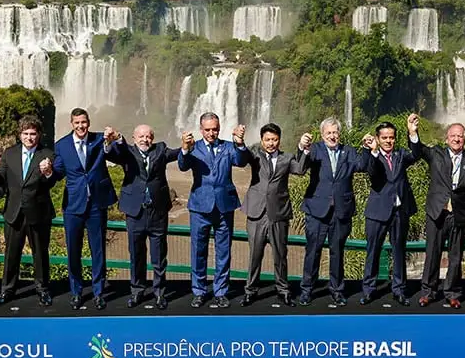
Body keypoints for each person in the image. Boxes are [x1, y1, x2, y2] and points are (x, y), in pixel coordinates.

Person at [408, 113, 465, 309]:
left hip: (460, 213)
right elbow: (418, 151)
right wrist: (413, 132)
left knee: (456, 255)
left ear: (464, 139)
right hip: (437, 211)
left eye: (460, 136)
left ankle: (452, 292)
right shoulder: (436, 154)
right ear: (446, 138)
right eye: (453, 136)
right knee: (432, 252)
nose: (457, 139)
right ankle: (428, 292)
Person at [297, 117, 373, 306]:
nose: (332, 136)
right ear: (322, 135)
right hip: (317, 210)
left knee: (337, 252)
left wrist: (366, 148)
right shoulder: (314, 150)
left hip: (341, 210)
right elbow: (301, 166)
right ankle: (307, 290)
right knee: (312, 252)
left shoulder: (348, 151)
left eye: (335, 132)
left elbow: (361, 166)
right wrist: (302, 147)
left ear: (339, 134)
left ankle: (337, 291)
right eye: (328, 133)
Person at [106, 124, 180, 310]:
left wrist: (187, 147)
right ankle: (137, 292)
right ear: (133, 137)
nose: (145, 139)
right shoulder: (126, 152)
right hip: (135, 212)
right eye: (141, 136)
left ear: (152, 138)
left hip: (157, 212)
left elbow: (177, 154)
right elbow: (112, 153)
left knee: (159, 257)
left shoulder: (161, 149)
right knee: (136, 255)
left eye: (148, 136)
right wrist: (115, 138)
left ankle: (159, 293)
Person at [51, 108, 119, 310]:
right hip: (73, 205)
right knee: (73, 251)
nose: (81, 126)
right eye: (77, 123)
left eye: (84, 122)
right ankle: (76, 291)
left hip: (97, 203)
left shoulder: (100, 139)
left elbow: (115, 153)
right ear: (71, 124)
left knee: (98, 251)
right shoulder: (62, 145)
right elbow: (57, 173)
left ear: (88, 122)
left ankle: (98, 292)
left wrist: (112, 140)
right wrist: (48, 172)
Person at [178, 112, 248, 308]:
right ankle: (199, 291)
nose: (211, 133)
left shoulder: (228, 146)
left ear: (219, 128)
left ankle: (220, 291)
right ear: (201, 130)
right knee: (198, 250)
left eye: (215, 129)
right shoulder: (194, 148)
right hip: (200, 207)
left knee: (223, 252)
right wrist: (184, 149)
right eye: (207, 130)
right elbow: (183, 166)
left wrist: (240, 142)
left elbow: (241, 161)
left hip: (225, 206)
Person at [240, 124, 312, 307]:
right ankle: (250, 291)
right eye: (267, 140)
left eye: (274, 139)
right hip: (256, 213)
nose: (271, 143)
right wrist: (239, 141)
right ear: (262, 140)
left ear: (279, 140)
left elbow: (300, 170)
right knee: (254, 255)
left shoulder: (287, 158)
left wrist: (303, 149)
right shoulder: (254, 155)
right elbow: (241, 157)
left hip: (278, 213)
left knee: (280, 255)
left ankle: (283, 290)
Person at [0, 115, 57, 308]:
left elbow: (51, 182)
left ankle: (43, 289)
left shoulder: (48, 154)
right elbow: (0, 179)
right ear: (20, 135)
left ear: (39, 135)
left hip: (38, 212)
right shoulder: (9, 153)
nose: (29, 137)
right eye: (26, 133)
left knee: (40, 253)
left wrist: (48, 173)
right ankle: (7, 290)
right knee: (11, 254)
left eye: (33, 134)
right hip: (14, 212)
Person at [359, 119, 420, 307]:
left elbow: (416, 155)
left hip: (399, 210)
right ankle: (369, 290)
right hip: (377, 211)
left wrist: (412, 133)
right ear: (378, 138)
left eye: (391, 138)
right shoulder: (371, 155)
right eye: (384, 138)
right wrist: (374, 151)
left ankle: (399, 290)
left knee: (399, 251)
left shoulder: (401, 154)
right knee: (373, 251)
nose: (388, 141)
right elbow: (372, 171)